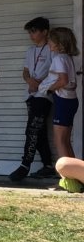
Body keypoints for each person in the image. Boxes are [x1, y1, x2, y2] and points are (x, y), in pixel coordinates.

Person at [9, 16, 55, 183]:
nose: (31, 35)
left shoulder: (52, 49)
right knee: (39, 132)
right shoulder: (30, 51)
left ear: (45, 32)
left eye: (34, 31)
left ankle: (25, 165)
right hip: (30, 95)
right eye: (30, 32)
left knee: (32, 130)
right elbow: (25, 72)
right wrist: (30, 82)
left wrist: (39, 84)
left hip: (44, 96)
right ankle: (48, 165)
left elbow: (55, 72)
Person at [37, 26, 79, 164]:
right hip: (70, 100)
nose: (48, 42)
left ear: (59, 42)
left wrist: (49, 89)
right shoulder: (67, 57)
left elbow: (63, 80)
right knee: (65, 140)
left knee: (59, 141)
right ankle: (75, 173)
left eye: (50, 40)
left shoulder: (59, 59)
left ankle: (66, 175)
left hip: (63, 100)